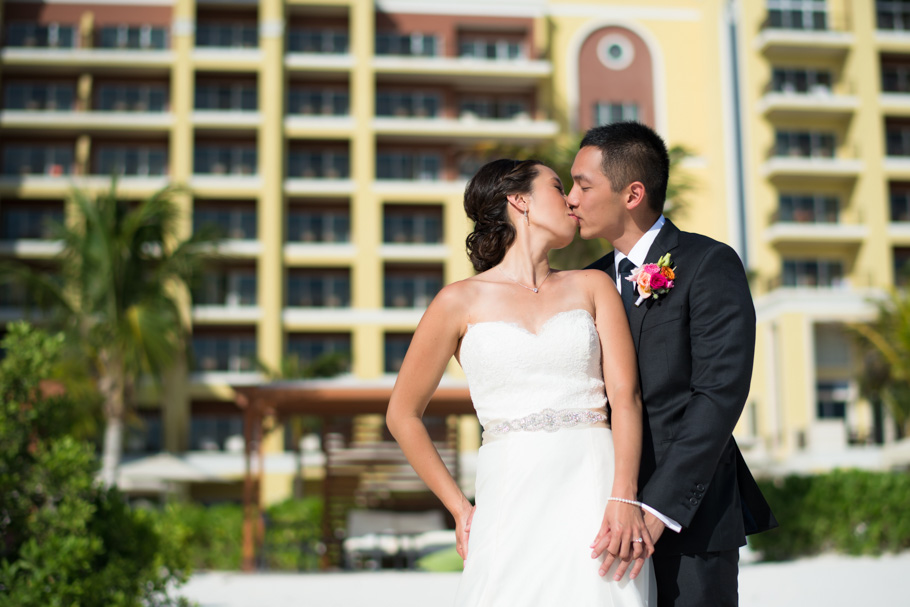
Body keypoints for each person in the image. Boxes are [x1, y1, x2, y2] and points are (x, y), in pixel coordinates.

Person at [387, 158, 655, 606]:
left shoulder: (593, 286)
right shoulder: (457, 301)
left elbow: (626, 399)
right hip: (509, 491)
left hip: (594, 485)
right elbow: (402, 414)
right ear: (519, 199)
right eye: (556, 186)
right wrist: (459, 507)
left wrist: (623, 497)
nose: (571, 198)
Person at [566, 121, 778, 607]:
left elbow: (718, 395)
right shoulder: (587, 281)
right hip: (600, 522)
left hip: (690, 521)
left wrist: (655, 512)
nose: (572, 199)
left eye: (583, 184)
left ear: (632, 193)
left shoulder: (708, 263)